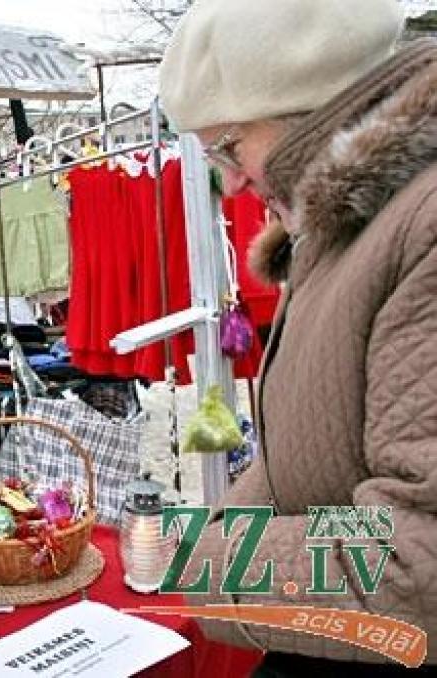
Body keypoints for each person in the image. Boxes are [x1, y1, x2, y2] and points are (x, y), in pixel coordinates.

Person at [158, 0, 436, 674]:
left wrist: (206, 559)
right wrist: (216, 532)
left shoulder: (419, 227)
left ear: (313, 111)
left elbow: (414, 557)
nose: (232, 183)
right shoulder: (348, 223)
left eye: (231, 146)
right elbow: (309, 456)